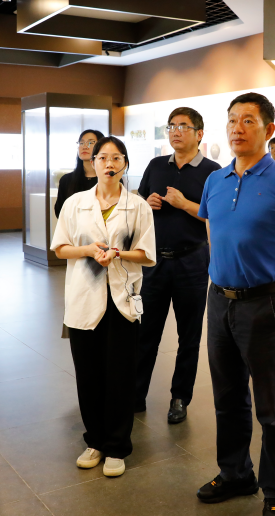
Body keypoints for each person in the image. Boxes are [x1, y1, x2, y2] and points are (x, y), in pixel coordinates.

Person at [195, 92, 275, 516]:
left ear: (268, 128)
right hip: (218, 300)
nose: (237, 128)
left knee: (271, 405)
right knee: (227, 397)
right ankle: (235, 474)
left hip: (264, 303)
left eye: (248, 120)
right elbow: (214, 235)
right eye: (232, 120)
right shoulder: (215, 180)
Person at [51, 136, 156, 478]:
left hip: (122, 299)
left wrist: (117, 254)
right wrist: (88, 250)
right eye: (103, 158)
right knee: (89, 374)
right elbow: (60, 248)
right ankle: (94, 440)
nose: (109, 164)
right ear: (92, 162)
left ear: (125, 164)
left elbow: (147, 255)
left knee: (121, 376)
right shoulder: (75, 203)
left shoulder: (137, 206)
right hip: (84, 297)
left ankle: (117, 445)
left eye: (116, 158)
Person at [135, 107, 221, 423]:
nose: (176, 131)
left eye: (183, 126)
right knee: (145, 332)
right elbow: (138, 203)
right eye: (171, 126)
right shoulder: (156, 165)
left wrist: (184, 204)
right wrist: (146, 204)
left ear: (199, 133)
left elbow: (217, 215)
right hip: (155, 261)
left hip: (192, 261)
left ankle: (180, 398)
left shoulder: (213, 171)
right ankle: (135, 394)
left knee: (189, 335)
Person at [54, 129, 105, 218]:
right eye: (81, 143)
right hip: (72, 226)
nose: (84, 147)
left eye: (90, 143)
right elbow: (60, 211)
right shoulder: (66, 180)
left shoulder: (110, 179)